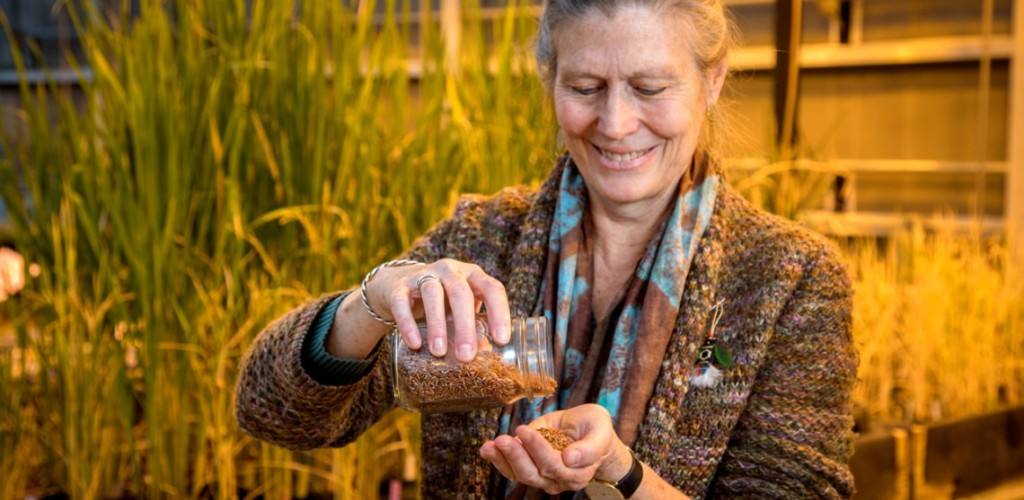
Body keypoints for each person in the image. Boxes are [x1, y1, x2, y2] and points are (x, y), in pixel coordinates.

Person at [235, 0, 858, 498]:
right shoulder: (483, 240)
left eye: (649, 87)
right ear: (550, 79)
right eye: (586, 87)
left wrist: (621, 472)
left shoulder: (788, 280)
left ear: (712, 81)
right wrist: (369, 304)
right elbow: (274, 413)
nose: (614, 123)